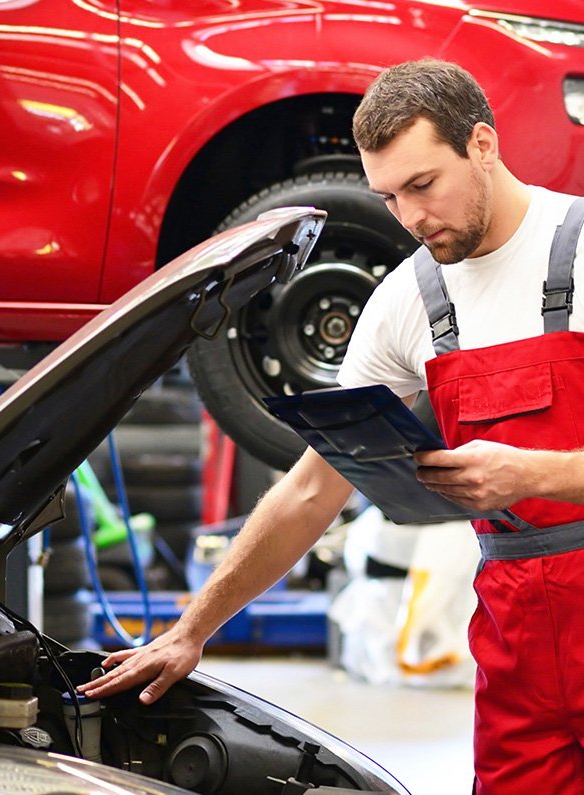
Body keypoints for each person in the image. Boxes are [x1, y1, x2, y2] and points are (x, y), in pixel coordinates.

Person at [79, 59, 584, 793]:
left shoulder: (577, 244)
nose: (410, 218)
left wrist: (528, 473)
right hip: (515, 643)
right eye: (387, 197)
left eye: (422, 185)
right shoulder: (408, 300)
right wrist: (191, 629)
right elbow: (310, 489)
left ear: (481, 143)